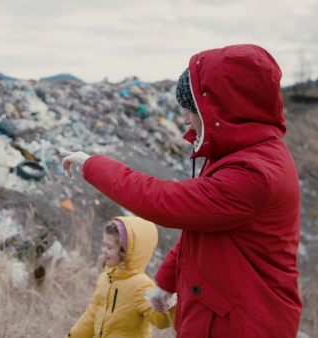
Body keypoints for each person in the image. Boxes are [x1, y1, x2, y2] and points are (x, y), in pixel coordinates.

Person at [60, 44, 302, 337]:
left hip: (243, 323)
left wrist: (92, 165)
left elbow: (162, 202)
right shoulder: (242, 154)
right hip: (226, 312)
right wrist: (167, 281)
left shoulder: (255, 172)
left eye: (192, 109)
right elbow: (203, 233)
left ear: (223, 109)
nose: (186, 120)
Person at [66, 217, 175, 338]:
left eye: (109, 247)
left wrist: (166, 307)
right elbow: (92, 315)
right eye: (104, 245)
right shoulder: (105, 278)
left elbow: (160, 322)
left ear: (126, 252)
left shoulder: (140, 285)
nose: (103, 251)